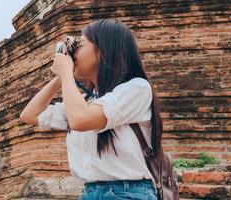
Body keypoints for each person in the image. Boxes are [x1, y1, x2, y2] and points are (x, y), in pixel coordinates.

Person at [20, 18, 161, 200]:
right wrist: (62, 76)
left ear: (103, 51)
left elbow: (81, 120)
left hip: (128, 193)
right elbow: (30, 115)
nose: (75, 50)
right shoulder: (87, 101)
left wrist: (65, 72)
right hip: (90, 192)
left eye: (80, 44)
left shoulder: (137, 89)